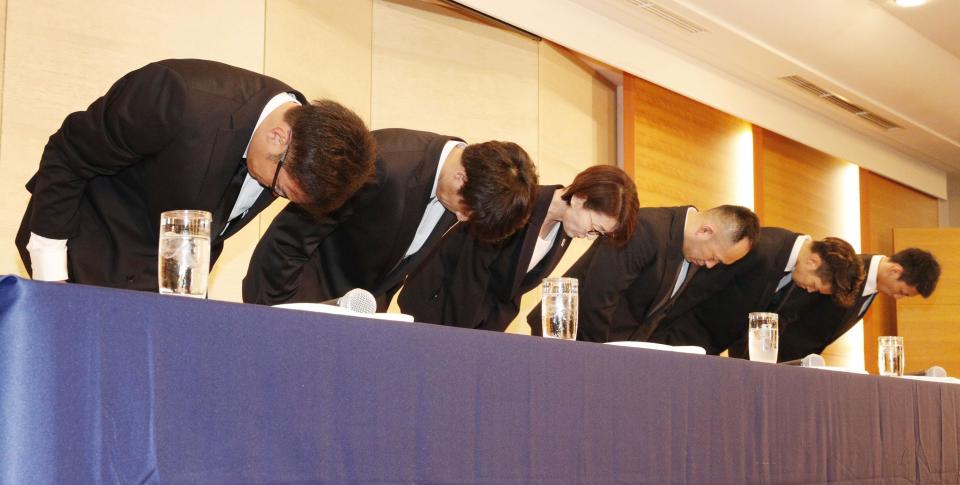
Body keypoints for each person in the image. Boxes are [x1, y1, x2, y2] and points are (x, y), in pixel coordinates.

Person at [15, 58, 376, 291]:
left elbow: (212, 224)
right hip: (83, 256)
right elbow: (68, 157)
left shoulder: (304, 142)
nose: (273, 193)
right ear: (279, 136)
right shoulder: (175, 96)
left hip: (155, 287)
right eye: (280, 188)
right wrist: (51, 280)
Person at [242, 128, 538, 309]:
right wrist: (278, 310)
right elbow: (292, 234)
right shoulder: (382, 161)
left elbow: (395, 265)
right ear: (461, 177)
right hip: (296, 302)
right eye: (466, 210)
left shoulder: (469, 188)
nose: (461, 218)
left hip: (352, 320)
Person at [398, 165, 639, 331]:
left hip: (475, 328)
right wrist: (464, 339)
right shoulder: (519, 201)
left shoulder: (562, 232)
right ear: (580, 198)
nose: (589, 236)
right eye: (594, 228)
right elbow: (470, 273)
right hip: (439, 307)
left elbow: (511, 294)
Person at [527, 204, 760, 341]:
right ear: (705, 231)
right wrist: (601, 360)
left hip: (610, 352)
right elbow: (598, 300)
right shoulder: (645, 228)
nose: (710, 265)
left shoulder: (690, 251)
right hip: (569, 340)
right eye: (713, 257)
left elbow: (654, 314)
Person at [657, 228, 865, 356]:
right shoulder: (763, 246)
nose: (810, 291)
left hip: (711, 349)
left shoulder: (799, 276)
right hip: (677, 336)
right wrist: (657, 329)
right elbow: (700, 286)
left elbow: (778, 319)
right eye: (815, 286)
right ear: (813, 262)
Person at [776, 248, 941, 362]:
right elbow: (789, 308)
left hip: (796, 364)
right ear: (895, 271)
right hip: (774, 358)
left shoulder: (874, 287)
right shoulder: (845, 269)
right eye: (902, 291)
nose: (898, 298)